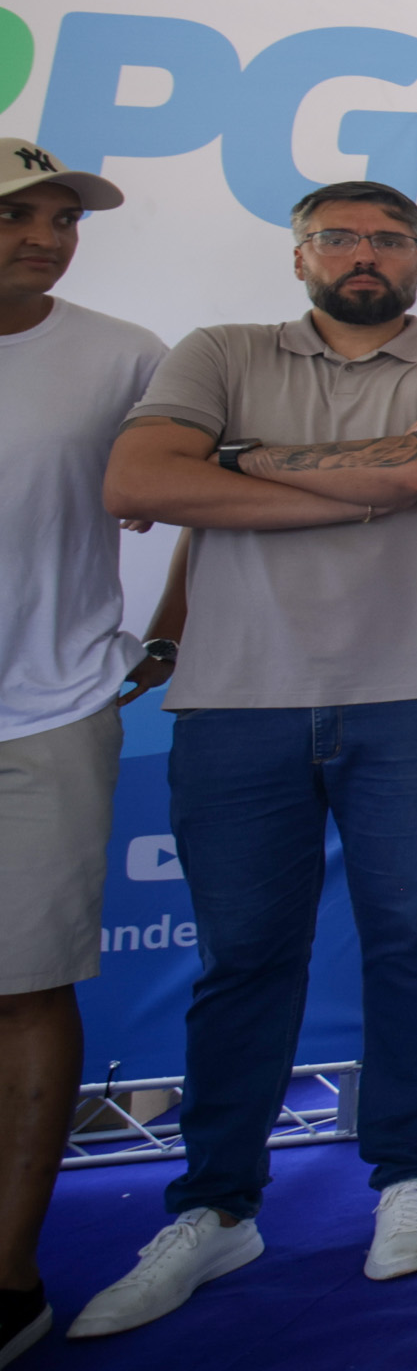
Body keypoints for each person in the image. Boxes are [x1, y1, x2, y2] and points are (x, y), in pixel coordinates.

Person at [78, 180, 417, 1336]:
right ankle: (218, 1204)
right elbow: (137, 481)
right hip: (236, 701)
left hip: (413, 695)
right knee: (243, 959)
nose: (364, 253)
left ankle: (409, 1174)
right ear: (300, 254)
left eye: (388, 238)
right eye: (338, 236)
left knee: (412, 941)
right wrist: (348, 488)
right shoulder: (218, 350)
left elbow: (416, 473)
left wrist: (239, 466)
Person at [0, 141, 167, 1364]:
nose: (46, 236)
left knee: (25, 989)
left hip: (45, 715)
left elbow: (200, 490)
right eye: (19, 214)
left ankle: (9, 1273)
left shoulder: (124, 355)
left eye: (62, 218)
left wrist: (168, 635)